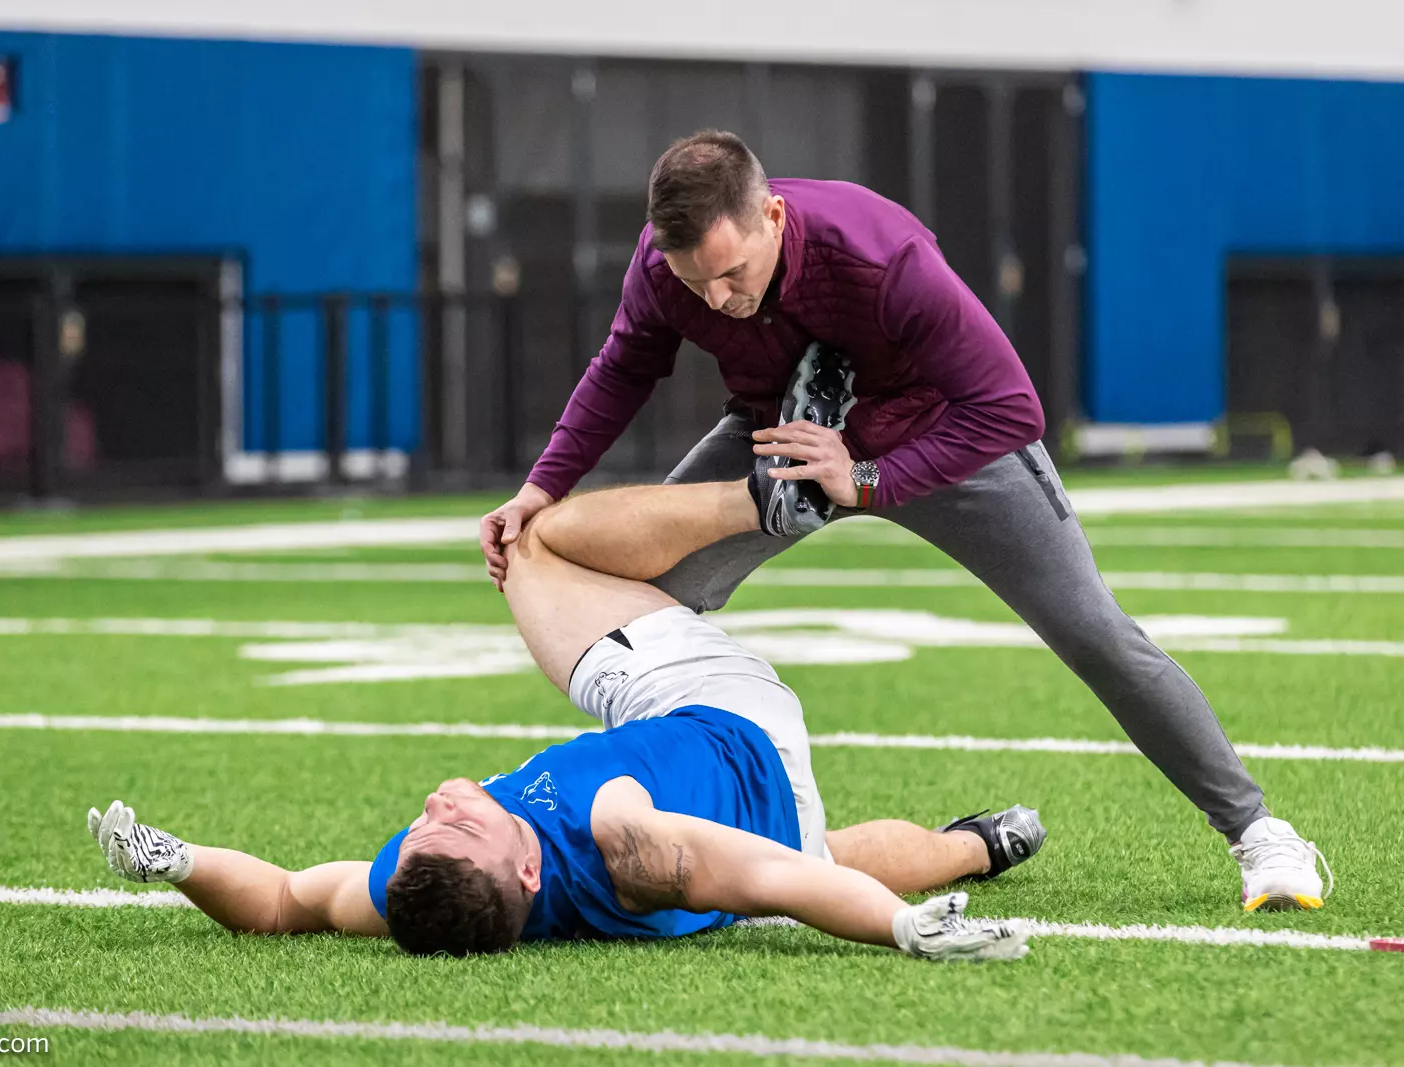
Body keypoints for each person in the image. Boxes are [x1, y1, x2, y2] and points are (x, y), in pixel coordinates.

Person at [478, 129, 1330, 913]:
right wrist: (541, 488)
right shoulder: (670, 266)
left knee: (1093, 631)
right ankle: (675, 823)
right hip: (784, 439)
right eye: (699, 283)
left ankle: (1260, 832)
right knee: (638, 599)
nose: (721, 299)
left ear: (772, 215)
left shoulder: (881, 255)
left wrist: (870, 478)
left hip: (936, 431)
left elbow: (1009, 406)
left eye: (733, 273)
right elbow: (625, 364)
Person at [84, 372, 1047, 959]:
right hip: (717, 706)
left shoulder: (434, 894)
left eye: (424, 826)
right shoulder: (622, 836)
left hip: (764, 800)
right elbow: (773, 884)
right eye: (460, 825)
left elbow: (288, 901)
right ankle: (770, 497)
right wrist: (896, 930)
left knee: (820, 843)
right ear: (529, 863)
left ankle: (978, 843)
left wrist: (178, 863)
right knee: (540, 546)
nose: (437, 805)